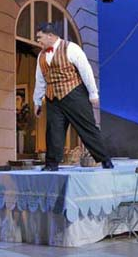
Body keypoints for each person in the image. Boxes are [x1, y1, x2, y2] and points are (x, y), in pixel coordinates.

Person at [33, 22, 114, 171]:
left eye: (40, 37)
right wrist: (37, 101)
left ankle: (105, 159)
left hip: (74, 93)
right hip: (52, 98)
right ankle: (52, 164)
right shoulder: (41, 56)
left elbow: (86, 70)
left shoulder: (71, 48)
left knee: (86, 127)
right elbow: (40, 79)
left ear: (50, 36)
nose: (38, 41)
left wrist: (93, 93)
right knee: (53, 131)